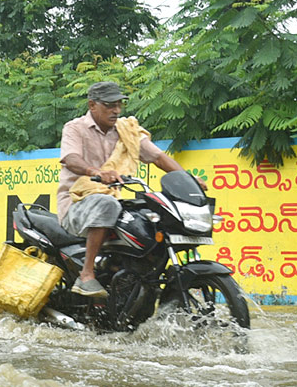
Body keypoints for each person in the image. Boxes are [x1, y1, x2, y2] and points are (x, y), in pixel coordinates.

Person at [57, 81, 199, 298]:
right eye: (109, 105)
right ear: (92, 105)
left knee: (148, 217)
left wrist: (187, 179)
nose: (116, 110)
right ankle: (86, 274)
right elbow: (70, 158)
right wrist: (94, 171)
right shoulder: (75, 128)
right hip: (76, 205)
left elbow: (158, 157)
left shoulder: (127, 131)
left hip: (113, 199)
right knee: (107, 204)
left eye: (119, 104)